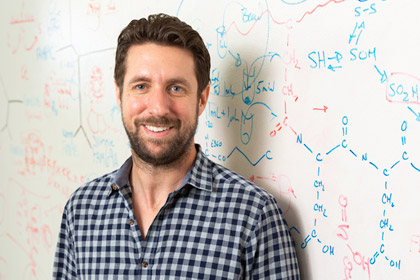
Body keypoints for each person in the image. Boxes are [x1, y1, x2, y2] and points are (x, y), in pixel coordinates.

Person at [53, 13, 300, 279]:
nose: (158, 107)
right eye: (141, 86)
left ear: (202, 99)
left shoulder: (253, 215)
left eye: (176, 88)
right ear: (119, 95)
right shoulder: (81, 210)